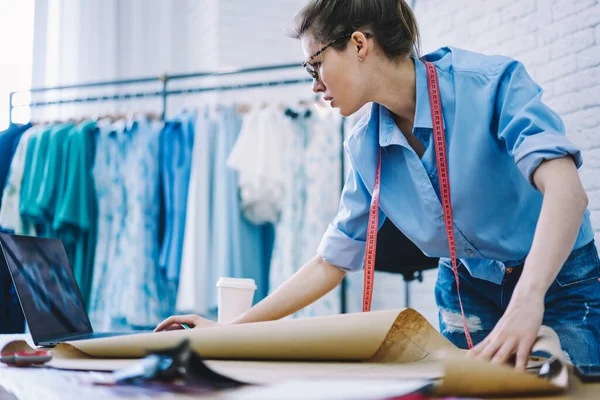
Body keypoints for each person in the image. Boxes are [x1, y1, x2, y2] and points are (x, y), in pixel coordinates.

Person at [155, 0, 600, 370]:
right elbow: (332, 260)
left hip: (556, 278)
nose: (315, 86)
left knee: (562, 391)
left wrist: (528, 300)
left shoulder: (490, 85)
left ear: (359, 44)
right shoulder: (365, 143)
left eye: (316, 65)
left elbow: (567, 192)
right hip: (466, 286)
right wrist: (233, 330)